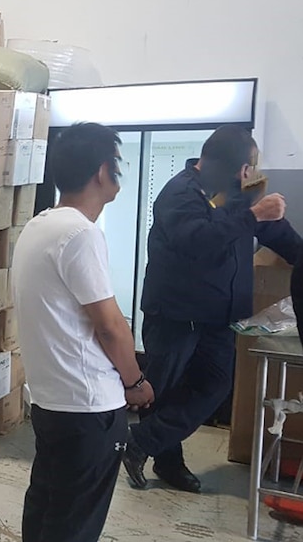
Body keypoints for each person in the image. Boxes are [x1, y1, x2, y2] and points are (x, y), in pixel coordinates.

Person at [124, 125, 303, 493]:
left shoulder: (242, 193)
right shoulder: (180, 192)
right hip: (174, 314)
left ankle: (140, 442)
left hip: (220, 317)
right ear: (233, 166)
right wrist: (253, 216)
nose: (250, 174)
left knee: (215, 386)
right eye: (247, 167)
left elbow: (276, 231)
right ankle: (168, 462)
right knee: (164, 392)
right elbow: (198, 239)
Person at [12, 122, 155, 542]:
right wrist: (137, 382)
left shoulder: (39, 226)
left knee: (47, 509)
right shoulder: (80, 234)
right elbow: (110, 327)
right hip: (89, 407)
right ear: (101, 172)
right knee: (74, 524)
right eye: (117, 165)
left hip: (52, 403)